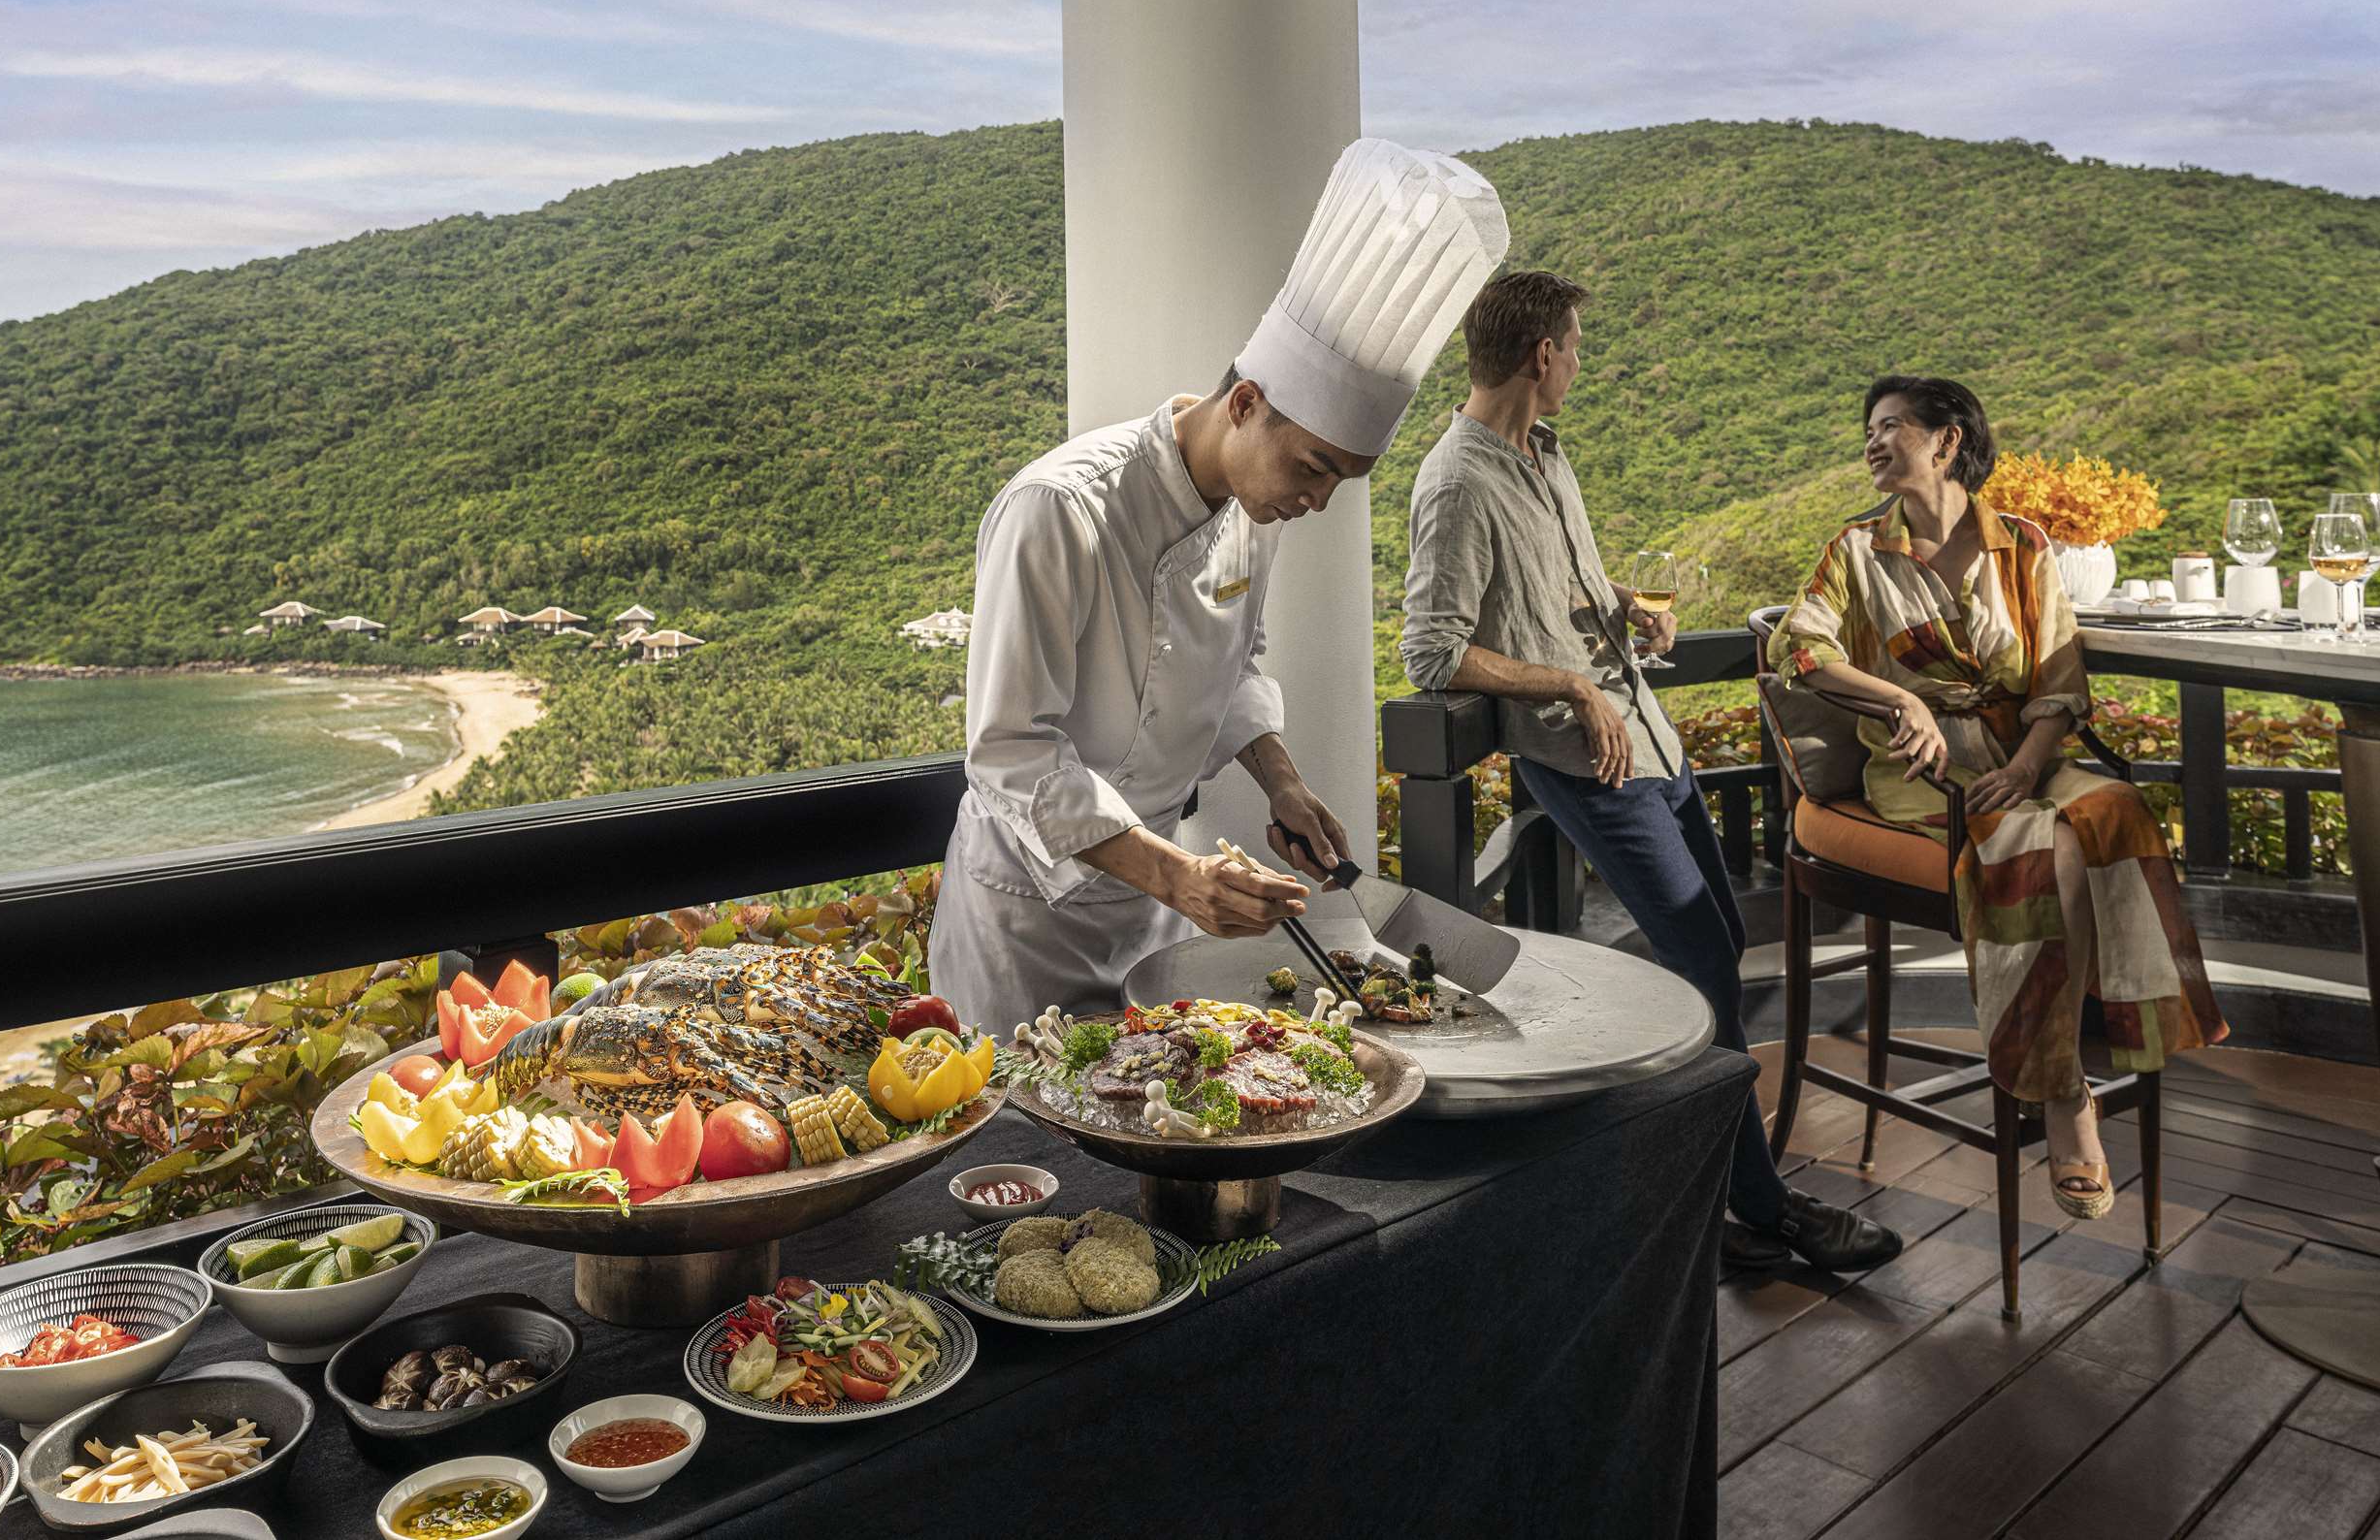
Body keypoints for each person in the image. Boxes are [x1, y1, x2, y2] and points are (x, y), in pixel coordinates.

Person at [933, 140, 1512, 1032]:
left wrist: (1280, 782)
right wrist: (1178, 873)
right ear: (1244, 403)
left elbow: (1238, 663)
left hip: (1156, 910)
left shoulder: (1253, 508)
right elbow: (1010, 749)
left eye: (1338, 482)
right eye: (1314, 467)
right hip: (1023, 920)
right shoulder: (1060, 509)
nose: (1315, 501)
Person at [1399, 271, 1901, 1272]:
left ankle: (1718, 1191)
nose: (1580, 362)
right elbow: (1431, 651)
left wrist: (1625, 604)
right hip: (1588, 761)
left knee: (1716, 947)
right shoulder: (1455, 481)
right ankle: (1750, 1208)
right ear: (1540, 355)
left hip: (1651, 739)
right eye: (1575, 346)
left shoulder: (1542, 452)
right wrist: (1571, 687)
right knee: (1704, 966)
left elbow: (1552, 584)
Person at [1771, 376, 2228, 1216]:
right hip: (1922, 772)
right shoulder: (1856, 549)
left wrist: (2025, 765)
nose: (1871, 443)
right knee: (2043, 842)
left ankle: (2091, 1049)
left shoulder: (2023, 545)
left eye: (1890, 427)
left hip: (2025, 754)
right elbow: (1798, 649)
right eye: (1866, 430)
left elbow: (2058, 678)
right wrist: (1903, 700)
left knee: (2116, 812)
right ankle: (2064, 1097)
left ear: (1946, 441)